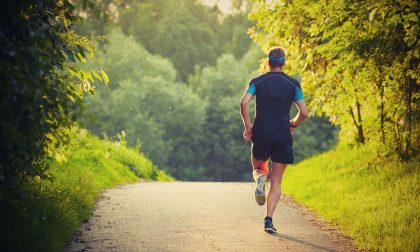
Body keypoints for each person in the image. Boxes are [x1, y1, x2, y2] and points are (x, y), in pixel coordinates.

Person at [239, 47, 308, 233]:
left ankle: (260, 179)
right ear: (283, 62)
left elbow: (243, 102)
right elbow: (305, 112)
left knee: (259, 168)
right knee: (276, 180)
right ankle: (268, 220)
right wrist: (293, 124)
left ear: (268, 62)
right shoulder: (293, 84)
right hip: (282, 134)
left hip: (261, 132)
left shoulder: (257, 81)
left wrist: (248, 127)